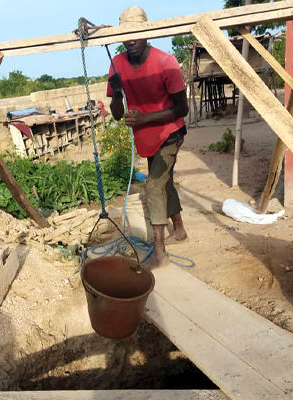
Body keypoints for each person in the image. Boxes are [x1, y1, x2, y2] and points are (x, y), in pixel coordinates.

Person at [107, 6, 189, 267]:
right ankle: (180, 229)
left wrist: (144, 119)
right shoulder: (117, 64)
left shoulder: (166, 63)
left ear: (146, 33)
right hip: (146, 136)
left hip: (170, 132)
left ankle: (159, 251)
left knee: (154, 184)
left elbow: (182, 109)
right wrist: (118, 93)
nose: (130, 40)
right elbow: (117, 114)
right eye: (125, 35)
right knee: (163, 182)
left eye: (135, 34)